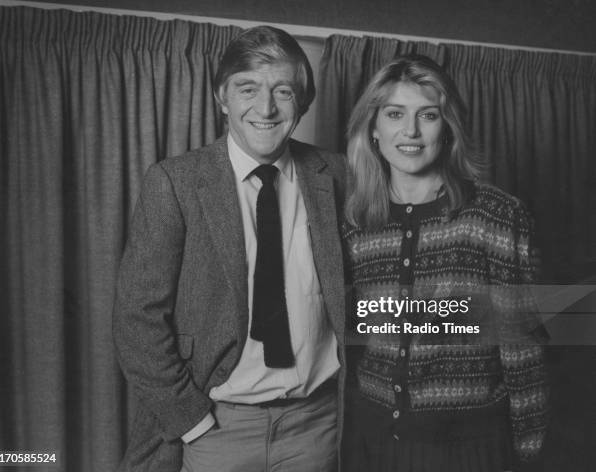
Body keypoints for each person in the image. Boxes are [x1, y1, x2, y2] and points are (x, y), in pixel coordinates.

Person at [113, 26, 346, 472]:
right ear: (223, 97)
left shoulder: (337, 176)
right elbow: (135, 319)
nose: (266, 107)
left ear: (304, 101)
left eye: (283, 91)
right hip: (218, 428)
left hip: (316, 427)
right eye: (248, 88)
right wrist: (192, 421)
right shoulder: (176, 182)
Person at [341, 55, 549, 472]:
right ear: (374, 130)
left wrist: (529, 449)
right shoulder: (355, 224)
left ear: (448, 129)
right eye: (395, 114)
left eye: (428, 115)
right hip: (372, 442)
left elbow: (521, 347)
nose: (411, 131)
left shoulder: (495, 216)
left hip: (468, 447)